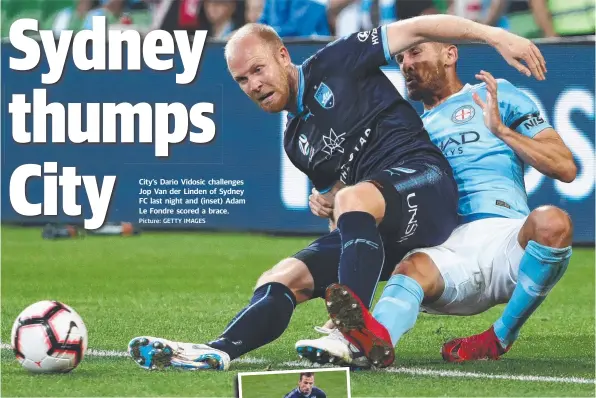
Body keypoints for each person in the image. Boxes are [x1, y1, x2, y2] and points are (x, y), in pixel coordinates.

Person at [126, 16, 546, 371]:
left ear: (282, 57)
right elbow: (345, 220)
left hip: (427, 184)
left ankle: (352, 331)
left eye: (258, 70)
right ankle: (218, 350)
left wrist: (497, 36)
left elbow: (420, 27)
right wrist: (330, 205)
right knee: (279, 278)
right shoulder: (296, 142)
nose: (253, 84)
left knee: (353, 201)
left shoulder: (337, 60)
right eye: (242, 80)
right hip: (386, 225)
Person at [296, 40, 575, 368]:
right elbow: (375, 214)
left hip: (506, 241)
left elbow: (565, 167)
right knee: (410, 270)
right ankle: (362, 343)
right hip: (445, 252)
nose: (406, 64)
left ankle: (499, 336)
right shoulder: (406, 134)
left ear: (450, 53)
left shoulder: (497, 95)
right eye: (400, 58)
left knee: (552, 223)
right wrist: (335, 208)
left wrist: (502, 132)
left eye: (415, 52)